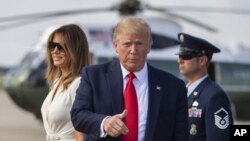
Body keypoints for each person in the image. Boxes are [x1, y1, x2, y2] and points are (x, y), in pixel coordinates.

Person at [71, 17, 188, 141]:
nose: (133, 51)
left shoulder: (173, 87)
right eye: (127, 44)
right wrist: (104, 123)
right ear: (116, 45)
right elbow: (78, 115)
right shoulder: (94, 76)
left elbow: (181, 135)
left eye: (139, 44)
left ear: (149, 45)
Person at [176, 33, 234, 141]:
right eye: (179, 56)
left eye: (186, 56)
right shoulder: (182, 92)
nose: (179, 61)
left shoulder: (215, 96)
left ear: (202, 60)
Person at [41, 24, 89, 141]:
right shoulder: (57, 82)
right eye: (52, 46)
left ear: (75, 50)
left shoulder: (78, 84)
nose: (55, 51)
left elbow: (81, 130)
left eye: (61, 47)